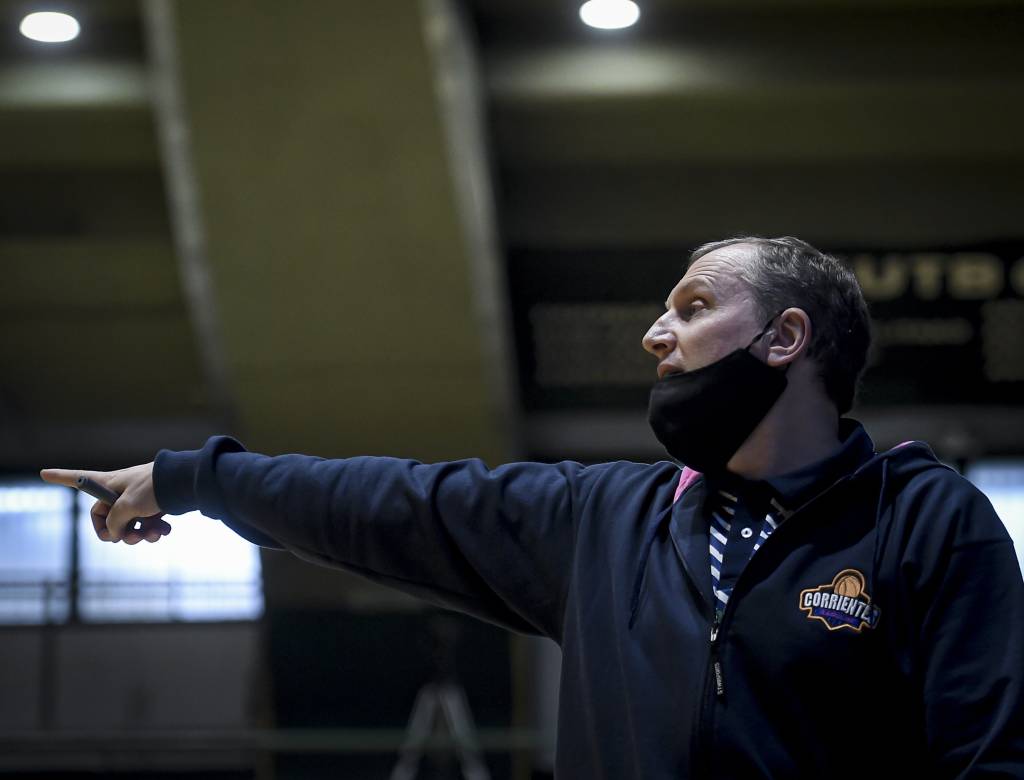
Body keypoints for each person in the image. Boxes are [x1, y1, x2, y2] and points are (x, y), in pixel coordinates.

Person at [41, 236, 1024, 779]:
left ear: (784, 338)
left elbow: (991, 760)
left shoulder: (926, 521)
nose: (656, 334)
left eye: (692, 307)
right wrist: (195, 479)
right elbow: (394, 505)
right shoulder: (607, 520)